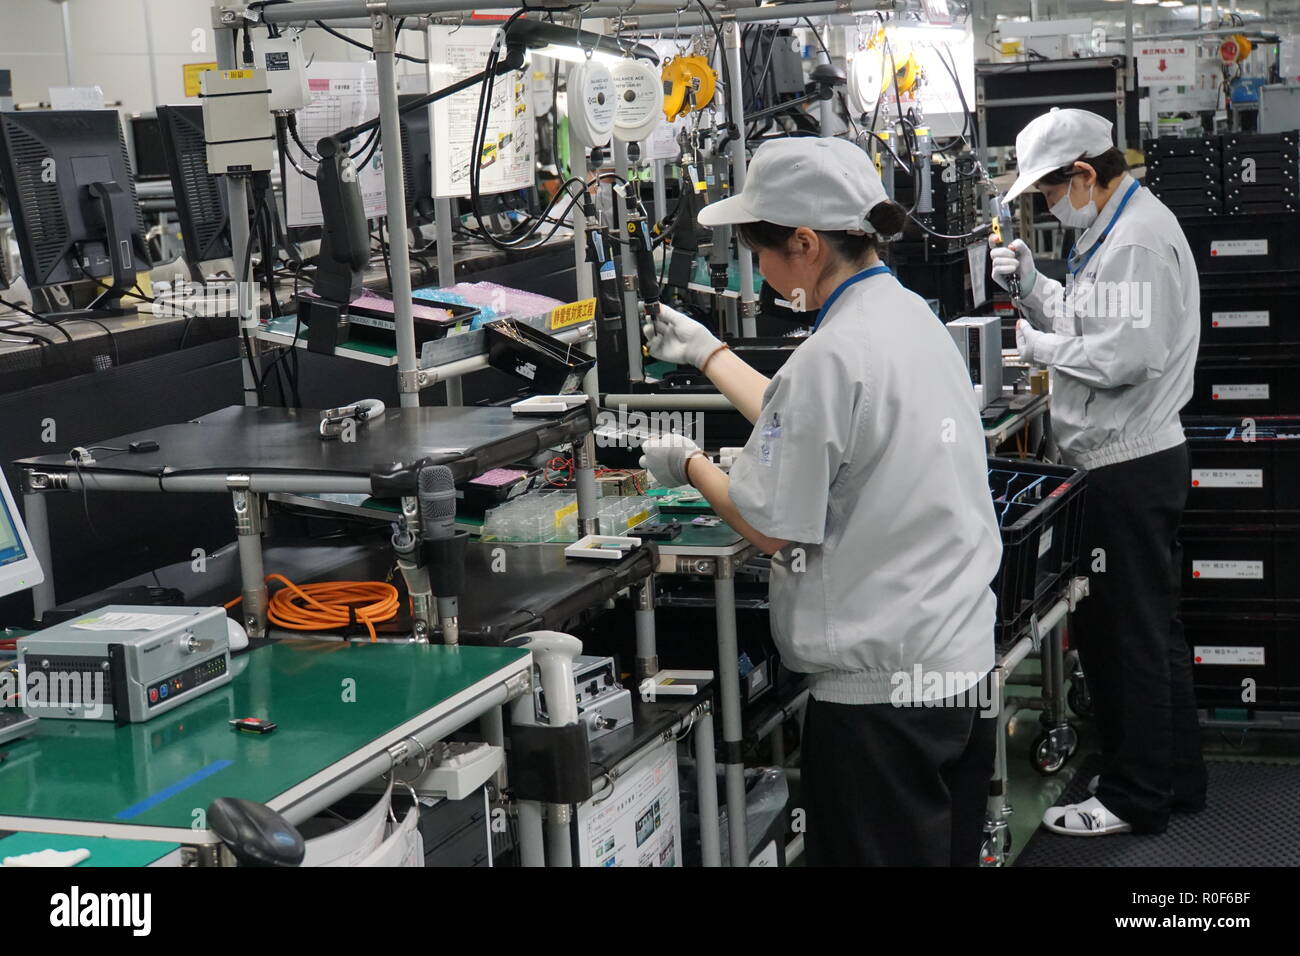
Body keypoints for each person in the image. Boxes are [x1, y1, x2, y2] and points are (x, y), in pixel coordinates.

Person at [637, 137, 1002, 866]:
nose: (759, 271)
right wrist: (710, 353)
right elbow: (803, 420)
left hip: (881, 704)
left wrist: (690, 465)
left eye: (760, 251)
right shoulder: (906, 317)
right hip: (957, 668)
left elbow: (771, 527)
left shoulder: (831, 357)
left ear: (804, 244)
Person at [990, 107, 1205, 837]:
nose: (1048, 205)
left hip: (1128, 466)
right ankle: (1175, 779)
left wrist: (1039, 349)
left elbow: (1122, 357)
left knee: (1123, 636)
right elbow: (1090, 321)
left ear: (1084, 174)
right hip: (1128, 461)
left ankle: (1133, 797)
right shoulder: (1113, 230)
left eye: (1049, 192)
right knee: (1150, 629)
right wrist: (1030, 283)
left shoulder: (1137, 242)